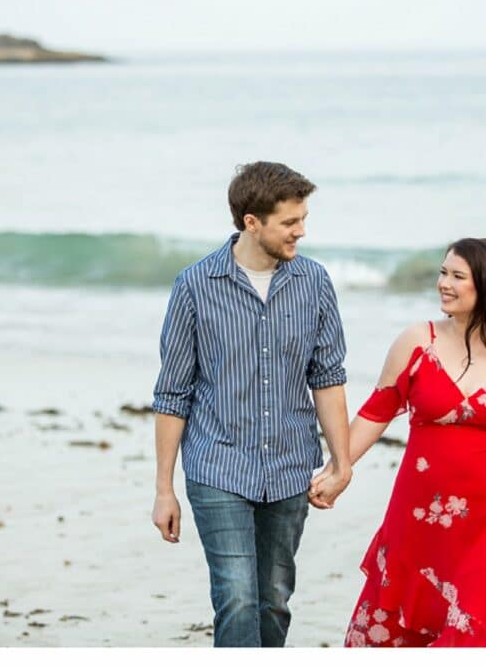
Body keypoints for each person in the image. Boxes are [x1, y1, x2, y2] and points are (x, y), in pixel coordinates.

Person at [311, 237, 486, 648]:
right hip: (419, 513)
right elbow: (377, 412)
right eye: (443, 273)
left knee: (474, 626)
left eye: (458, 276)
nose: (444, 283)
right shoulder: (418, 341)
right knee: (399, 625)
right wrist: (338, 468)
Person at [151, 161, 353, 648]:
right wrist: (164, 488)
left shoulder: (314, 282)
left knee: (274, 598)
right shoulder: (195, 287)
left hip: (288, 468)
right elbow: (172, 393)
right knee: (237, 596)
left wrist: (341, 462)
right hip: (217, 465)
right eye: (290, 222)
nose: (301, 232)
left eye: (303, 219)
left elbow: (327, 378)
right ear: (251, 222)